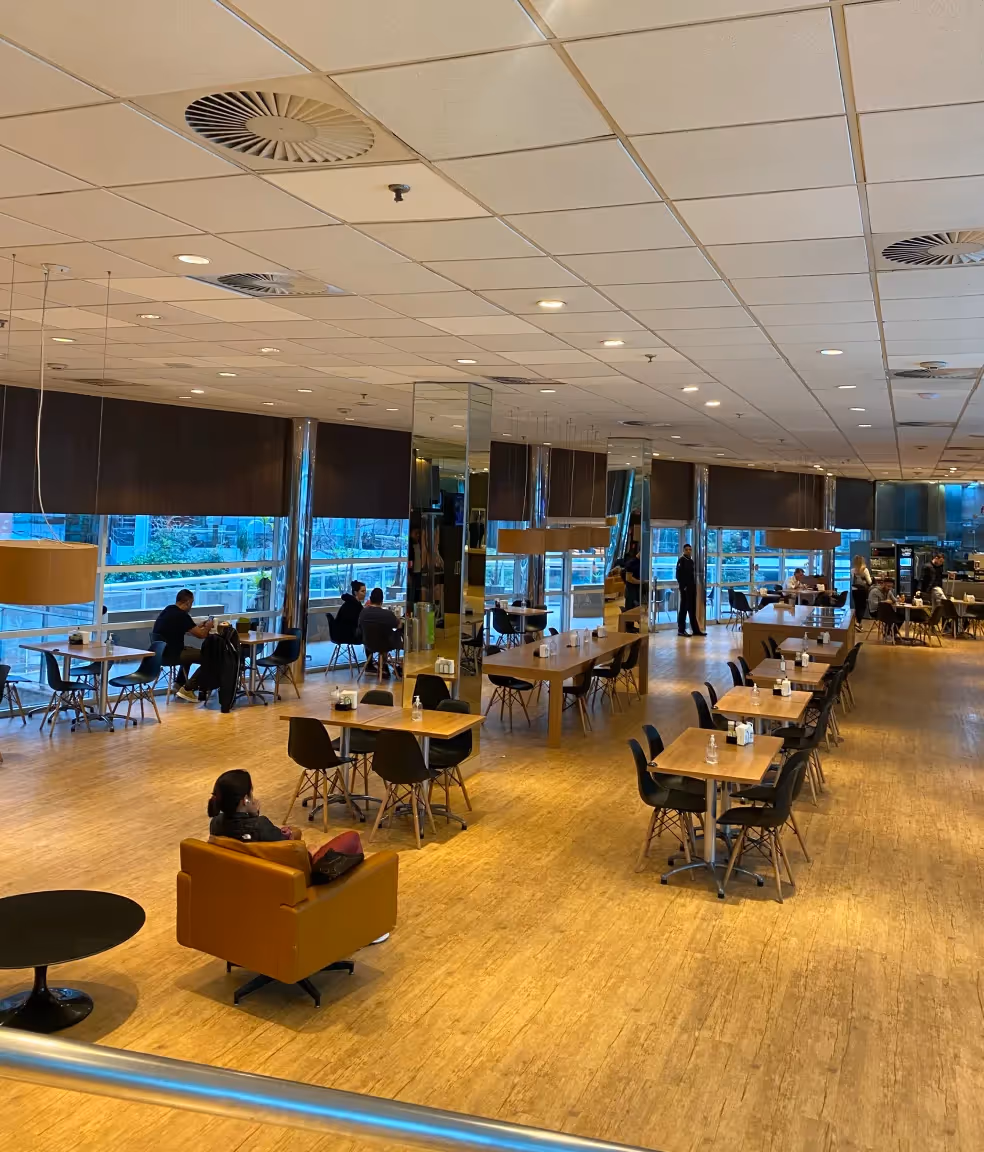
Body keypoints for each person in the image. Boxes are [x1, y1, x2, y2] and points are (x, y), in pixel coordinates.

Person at [152, 589, 213, 703]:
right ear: (188, 602)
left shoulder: (168, 610)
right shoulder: (182, 615)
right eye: (192, 603)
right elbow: (201, 635)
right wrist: (208, 627)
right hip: (174, 654)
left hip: (161, 654)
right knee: (211, 657)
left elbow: (184, 629)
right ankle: (188, 688)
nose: (191, 606)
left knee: (189, 651)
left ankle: (179, 684)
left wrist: (199, 626)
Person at [208, 769, 301, 842]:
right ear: (245, 800)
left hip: (234, 861)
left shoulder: (215, 823)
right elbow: (286, 846)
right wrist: (255, 815)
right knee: (298, 834)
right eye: (251, 792)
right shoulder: (261, 826)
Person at [359, 587, 403, 678]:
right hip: (385, 644)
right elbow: (398, 625)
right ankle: (391, 666)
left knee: (382, 636)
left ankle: (382, 666)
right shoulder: (387, 614)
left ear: (370, 599)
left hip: (368, 644)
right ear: (382, 601)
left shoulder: (363, 612)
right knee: (396, 634)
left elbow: (359, 626)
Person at [675, 543, 704, 637]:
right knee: (683, 609)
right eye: (686, 549)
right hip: (685, 589)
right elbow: (678, 576)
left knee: (692, 609)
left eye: (690, 549)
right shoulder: (681, 561)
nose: (688, 551)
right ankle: (681, 630)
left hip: (692, 588)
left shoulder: (691, 561)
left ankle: (696, 630)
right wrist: (683, 587)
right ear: (683, 550)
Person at [851, 555, 872, 619]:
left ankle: (857, 621)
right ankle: (860, 621)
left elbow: (853, 580)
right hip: (862, 591)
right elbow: (869, 582)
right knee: (862, 606)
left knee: (857, 606)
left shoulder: (852, 570)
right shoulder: (865, 570)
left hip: (854, 590)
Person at [622, 541, 641, 612]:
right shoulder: (632, 563)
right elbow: (629, 579)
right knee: (630, 610)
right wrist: (642, 582)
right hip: (631, 591)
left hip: (636, 590)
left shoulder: (641, 562)